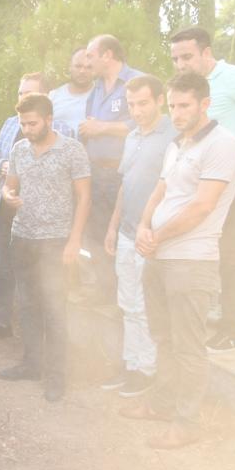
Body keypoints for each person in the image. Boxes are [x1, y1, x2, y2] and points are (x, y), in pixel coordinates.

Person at [121, 72, 235, 449]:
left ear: (205, 104)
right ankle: (162, 404)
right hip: (159, 256)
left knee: (188, 347)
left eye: (184, 105)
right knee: (164, 338)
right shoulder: (177, 144)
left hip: (191, 261)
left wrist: (156, 236)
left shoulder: (222, 144)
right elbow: (160, 191)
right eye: (172, 105)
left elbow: (202, 206)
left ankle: (187, 424)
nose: (176, 112)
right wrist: (143, 226)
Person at [169, 27, 235, 353]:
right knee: (205, 249)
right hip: (209, 186)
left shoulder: (233, 78)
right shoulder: (193, 88)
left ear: (206, 52)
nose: (180, 64)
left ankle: (231, 330)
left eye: (187, 56)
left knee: (230, 253)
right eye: (175, 59)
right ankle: (207, 315)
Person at [0, 93, 91, 402]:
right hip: (23, 237)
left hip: (55, 241)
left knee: (54, 309)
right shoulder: (19, 149)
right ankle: (31, 364)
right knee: (27, 306)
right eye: (23, 124)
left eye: (33, 123)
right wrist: (9, 196)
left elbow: (84, 197)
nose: (27, 129)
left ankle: (56, 376)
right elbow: (9, 185)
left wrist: (75, 240)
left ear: (49, 120)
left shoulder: (72, 150)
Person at [0, 72, 74, 342]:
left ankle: (41, 334)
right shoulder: (10, 124)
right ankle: (2, 323)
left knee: (43, 276)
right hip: (8, 209)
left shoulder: (63, 129)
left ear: (46, 97)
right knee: (6, 268)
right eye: (20, 93)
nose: (23, 97)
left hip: (44, 219)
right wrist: (3, 166)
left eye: (29, 93)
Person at [101, 75, 173, 398]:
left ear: (160, 100)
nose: (137, 110)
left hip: (153, 235)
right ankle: (131, 364)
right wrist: (113, 226)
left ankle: (147, 370)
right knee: (127, 304)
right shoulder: (131, 137)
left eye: (143, 103)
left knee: (144, 306)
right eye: (131, 104)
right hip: (127, 232)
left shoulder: (173, 135)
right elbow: (125, 184)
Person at [79, 34, 144, 305]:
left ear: (107, 55)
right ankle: (104, 293)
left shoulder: (136, 82)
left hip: (122, 174)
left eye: (91, 55)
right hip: (95, 172)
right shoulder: (95, 89)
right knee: (95, 233)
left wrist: (102, 127)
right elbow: (89, 126)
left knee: (122, 234)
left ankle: (125, 297)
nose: (87, 62)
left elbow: (143, 122)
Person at [48, 47, 94, 134]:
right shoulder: (53, 96)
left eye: (88, 67)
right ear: (70, 67)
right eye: (78, 66)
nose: (82, 71)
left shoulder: (102, 95)